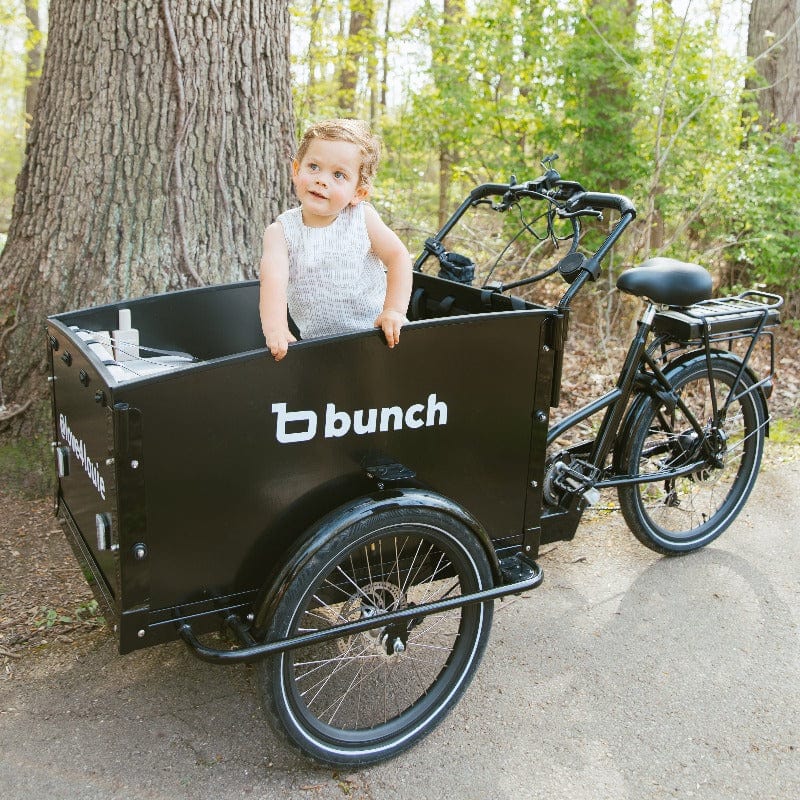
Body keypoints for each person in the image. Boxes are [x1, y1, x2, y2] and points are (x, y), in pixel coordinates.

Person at [259, 118, 413, 361]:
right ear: (296, 170)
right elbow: (273, 282)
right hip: (323, 348)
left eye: (339, 174)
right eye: (314, 167)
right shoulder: (281, 232)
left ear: (358, 193)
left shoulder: (362, 218)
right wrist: (276, 328)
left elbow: (398, 257)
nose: (322, 179)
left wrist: (393, 310)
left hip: (379, 338)